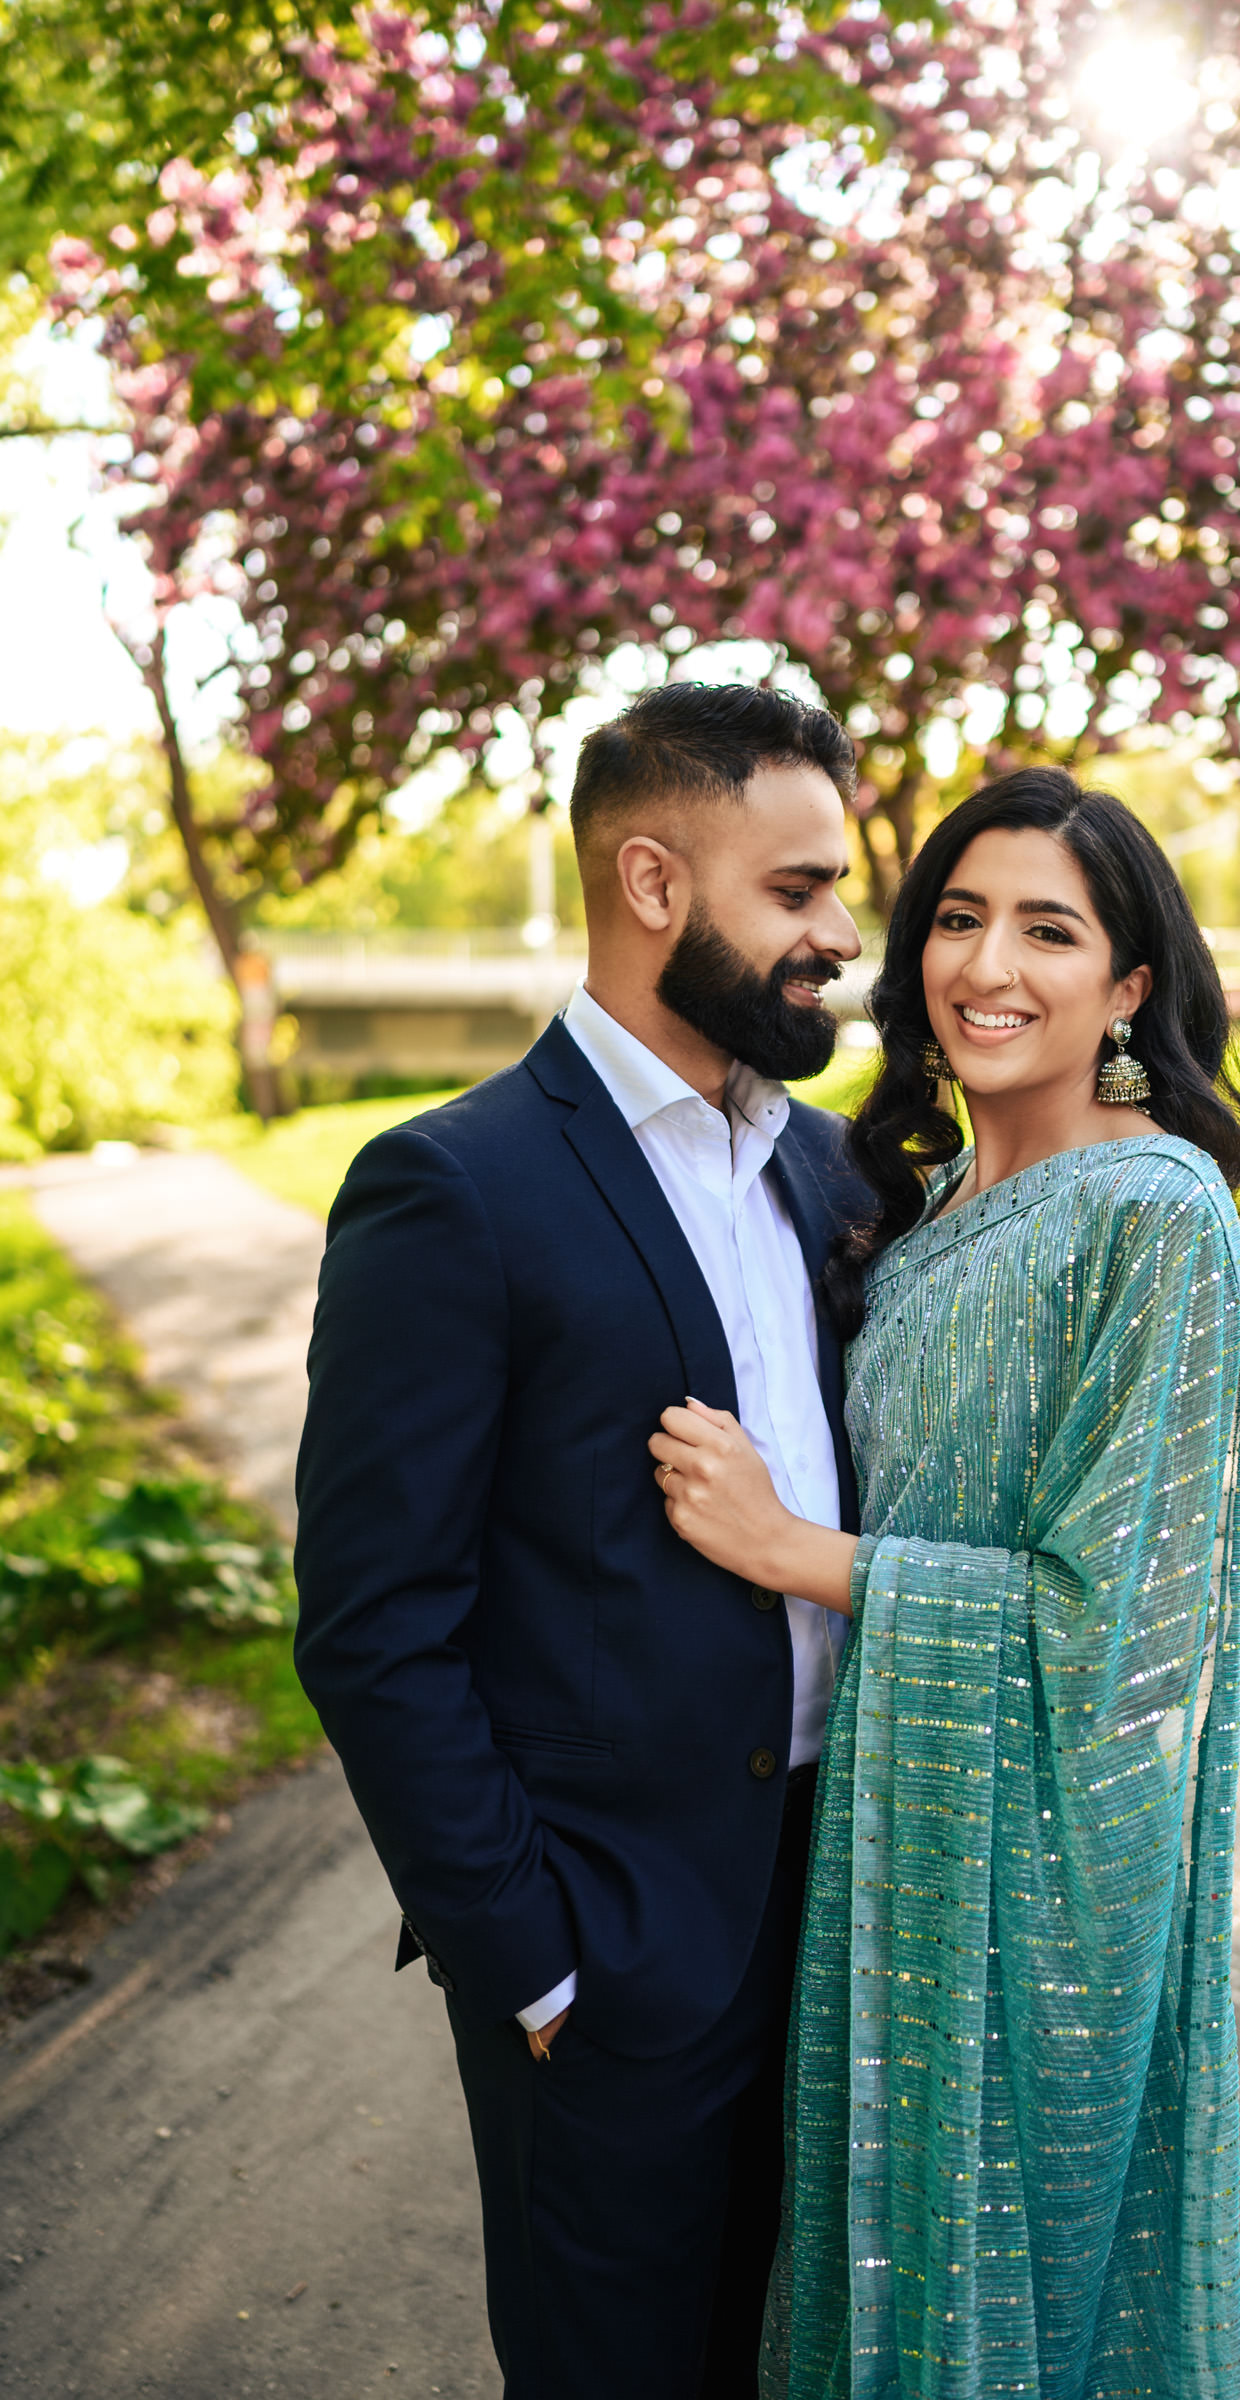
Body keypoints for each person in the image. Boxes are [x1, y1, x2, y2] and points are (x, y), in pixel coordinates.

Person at [650, 766, 1240, 2399]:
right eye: (961, 921)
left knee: (1006, 2319)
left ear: (1130, 986)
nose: (990, 967)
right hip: (889, 1840)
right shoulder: (919, 1216)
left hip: (1043, 1882)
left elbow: (1119, 1631)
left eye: (1049, 931)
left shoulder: (1157, 1221)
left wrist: (803, 1554)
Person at [293, 679, 872, 2400]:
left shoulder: (841, 1176)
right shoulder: (453, 1188)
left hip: (843, 1921)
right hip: (607, 1958)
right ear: (652, 885)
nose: (841, 934)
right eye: (799, 890)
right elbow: (374, 1623)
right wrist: (526, 1952)